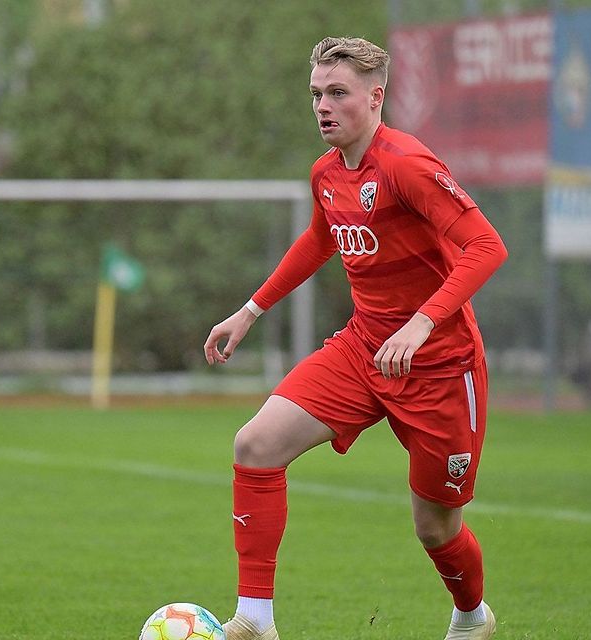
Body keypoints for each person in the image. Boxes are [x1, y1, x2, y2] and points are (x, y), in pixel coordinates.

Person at [204, 37, 508, 640]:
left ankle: (473, 616)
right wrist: (250, 310)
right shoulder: (327, 172)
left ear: (376, 97)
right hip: (363, 350)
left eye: (337, 93)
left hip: (441, 369)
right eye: (316, 94)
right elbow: (319, 240)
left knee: (435, 527)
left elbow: (487, 247)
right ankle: (254, 620)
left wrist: (421, 324)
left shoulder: (407, 166)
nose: (323, 105)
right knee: (256, 444)